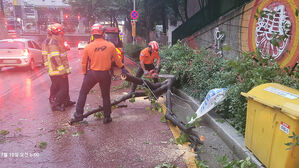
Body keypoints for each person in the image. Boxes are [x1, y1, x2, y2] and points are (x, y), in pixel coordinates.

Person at [71, 23, 128, 124]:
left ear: (93, 33)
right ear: (103, 33)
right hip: (105, 74)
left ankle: (78, 115)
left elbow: (84, 63)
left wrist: (85, 74)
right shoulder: (110, 46)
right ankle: (107, 117)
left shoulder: (88, 47)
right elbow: (117, 60)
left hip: (92, 74)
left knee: (83, 93)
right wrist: (123, 68)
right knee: (105, 96)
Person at [45, 23, 75, 111]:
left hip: (60, 70)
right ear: (58, 32)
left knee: (66, 87)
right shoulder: (53, 42)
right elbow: (55, 58)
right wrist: (62, 70)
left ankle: (66, 102)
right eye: (62, 31)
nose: (63, 32)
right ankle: (56, 105)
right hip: (58, 71)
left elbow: (61, 53)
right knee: (63, 88)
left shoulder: (57, 41)